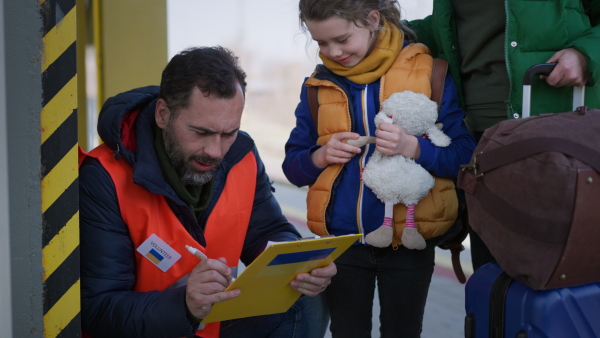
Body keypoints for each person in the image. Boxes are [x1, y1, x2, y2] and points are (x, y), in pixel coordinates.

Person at [79, 46, 334, 338]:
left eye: (228, 133)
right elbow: (97, 310)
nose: (215, 151)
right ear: (163, 114)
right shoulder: (103, 177)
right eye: (201, 132)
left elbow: (268, 230)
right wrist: (185, 305)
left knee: (303, 297)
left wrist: (298, 266)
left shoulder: (241, 154)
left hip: (209, 322)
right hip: (150, 328)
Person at [282, 0, 476, 337]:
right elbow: (293, 169)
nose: (333, 51)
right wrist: (321, 155)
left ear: (372, 20)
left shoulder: (429, 72)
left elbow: (464, 156)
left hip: (410, 245)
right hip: (341, 243)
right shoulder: (317, 86)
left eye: (342, 39)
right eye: (321, 43)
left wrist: (412, 147)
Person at [408, 0, 600, 270]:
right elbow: (451, 27)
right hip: (478, 136)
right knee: (493, 271)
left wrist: (587, 54)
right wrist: (388, 29)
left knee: (566, 269)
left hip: (558, 128)